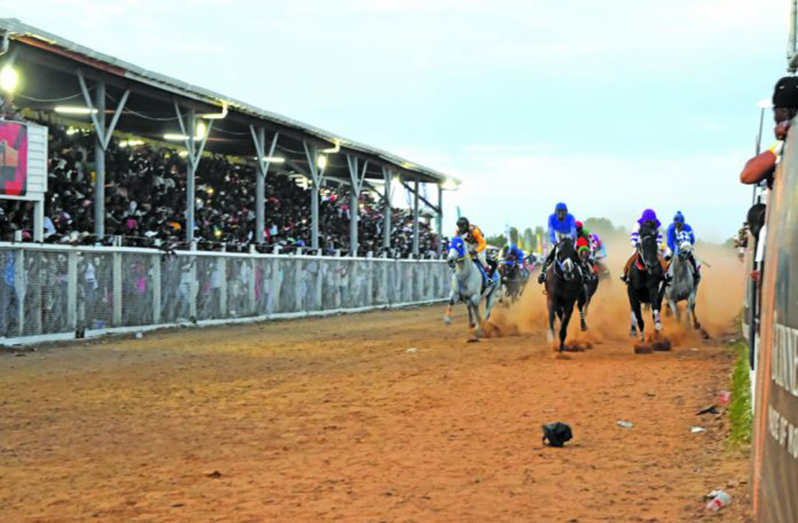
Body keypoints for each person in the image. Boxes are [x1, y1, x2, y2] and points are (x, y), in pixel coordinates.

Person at [621, 209, 668, 284]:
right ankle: (626, 275)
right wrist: (634, 243)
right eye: (647, 221)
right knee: (633, 256)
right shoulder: (639, 223)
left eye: (650, 221)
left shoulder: (658, 224)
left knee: (661, 258)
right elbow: (634, 233)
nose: (649, 222)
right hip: (641, 243)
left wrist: (657, 245)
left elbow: (660, 236)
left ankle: (665, 275)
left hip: (653, 244)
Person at [538, 202, 577, 283]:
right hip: (557, 234)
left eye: (563, 212)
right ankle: (543, 273)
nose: (561, 214)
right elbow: (551, 230)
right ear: (555, 212)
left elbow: (573, 228)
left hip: (569, 234)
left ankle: (583, 273)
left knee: (574, 252)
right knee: (554, 252)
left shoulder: (571, 217)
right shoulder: (551, 218)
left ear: (566, 212)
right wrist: (554, 242)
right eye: (558, 212)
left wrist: (570, 238)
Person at [455, 217, 492, 282]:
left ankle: (488, 273)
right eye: (459, 226)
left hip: (479, 243)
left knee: (480, 257)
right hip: (469, 243)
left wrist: (475, 251)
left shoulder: (475, 231)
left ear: (466, 226)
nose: (459, 229)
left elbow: (483, 244)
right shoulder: (458, 231)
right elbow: (456, 242)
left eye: (461, 227)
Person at [666, 211, 700, 283]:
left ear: (683, 222)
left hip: (684, 246)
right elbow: (669, 242)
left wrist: (687, 247)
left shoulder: (688, 227)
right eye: (676, 224)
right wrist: (675, 249)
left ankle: (695, 272)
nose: (678, 226)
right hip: (673, 246)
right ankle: (662, 273)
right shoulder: (671, 228)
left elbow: (692, 240)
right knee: (668, 254)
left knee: (691, 256)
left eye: (679, 224)